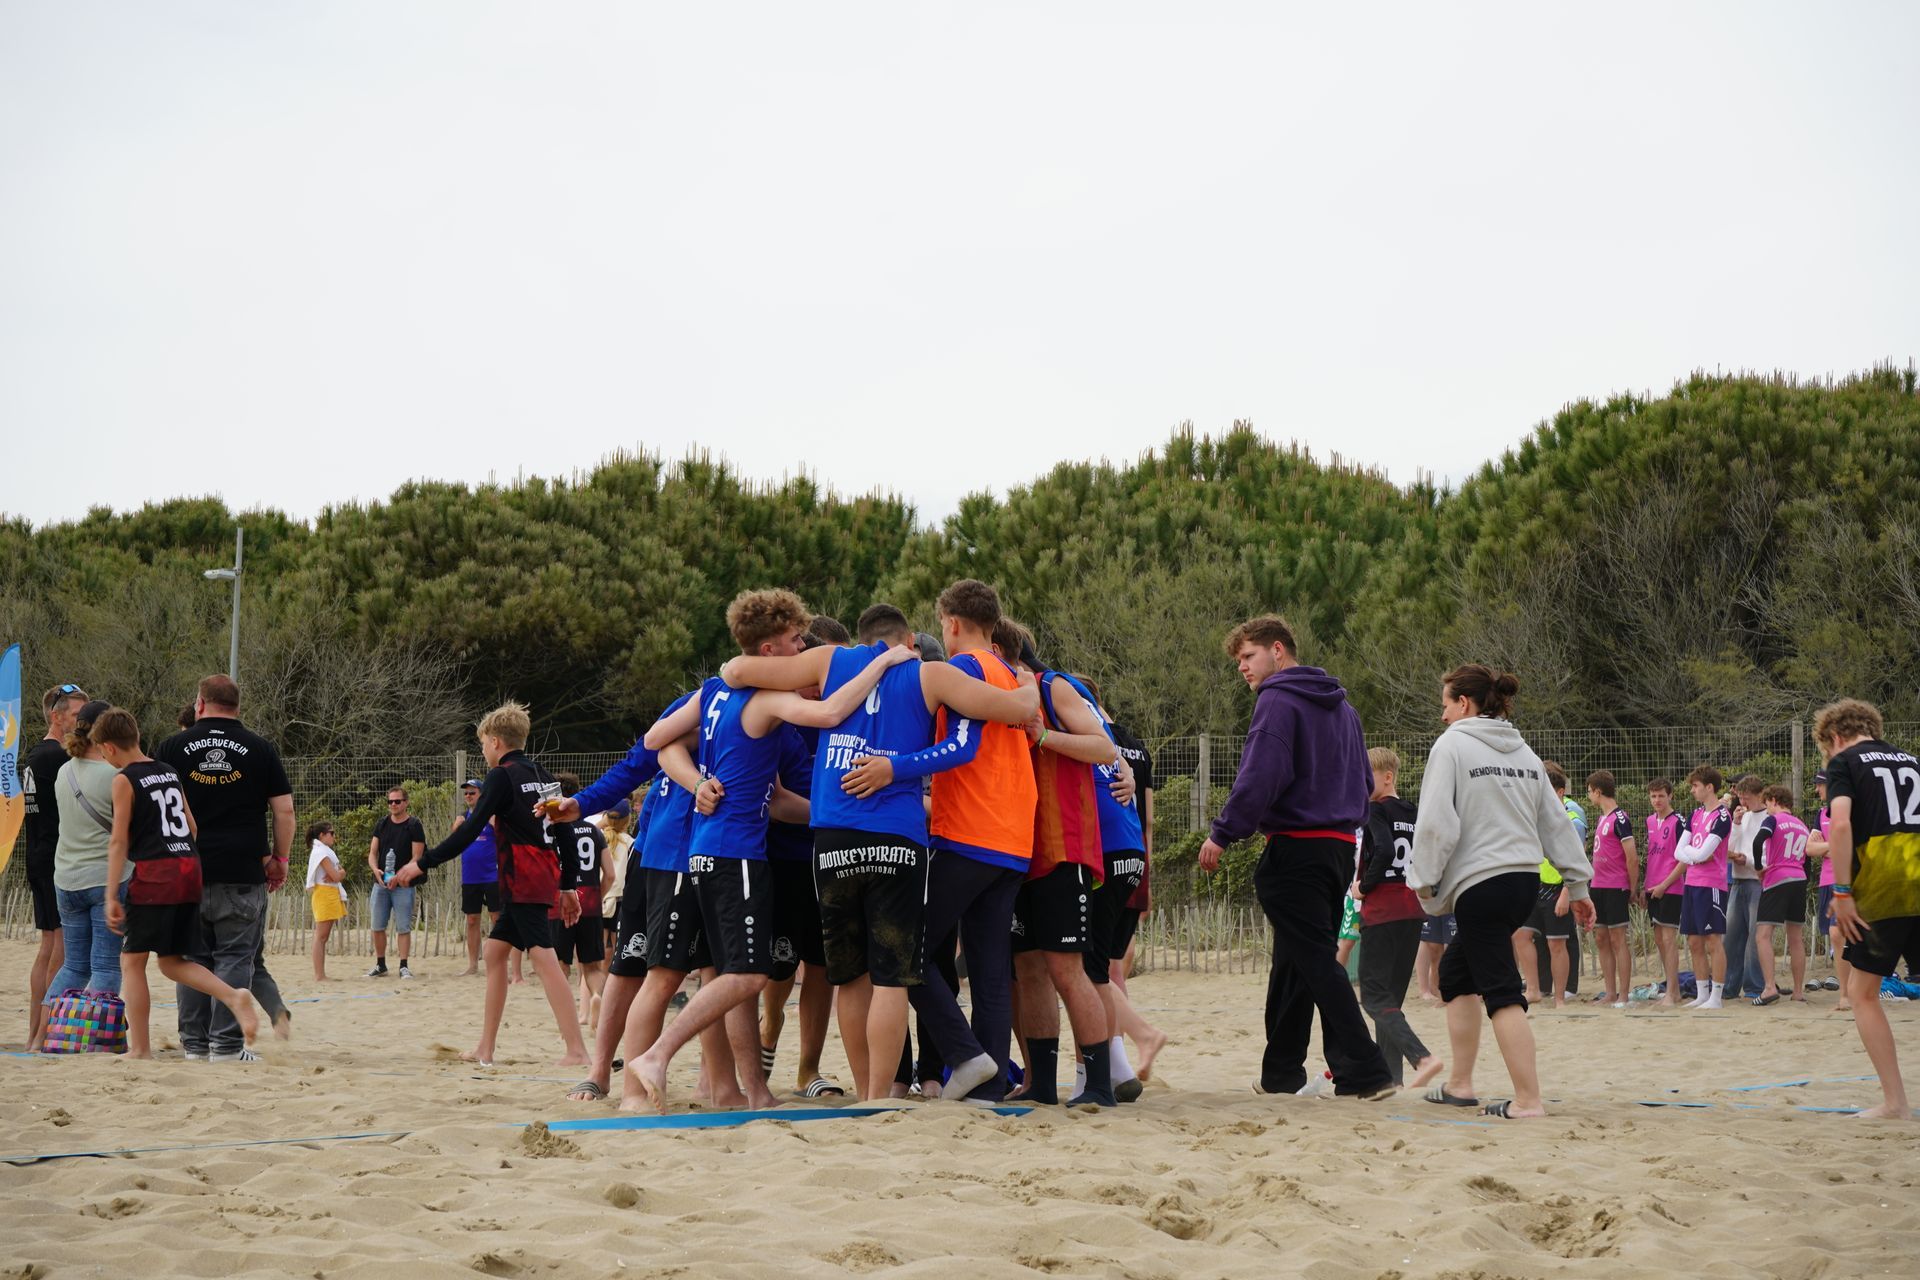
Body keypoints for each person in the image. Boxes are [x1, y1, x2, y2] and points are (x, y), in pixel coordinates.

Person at [717, 597, 1042, 1101]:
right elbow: (1018, 711)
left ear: (863, 638)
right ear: (910, 641)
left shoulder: (829, 660)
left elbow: (734, 670)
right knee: (892, 977)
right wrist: (1026, 683)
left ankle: (871, 1091)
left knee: (852, 978)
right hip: (898, 836)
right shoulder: (931, 674)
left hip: (834, 834)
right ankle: (886, 1096)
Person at [623, 590, 915, 1112]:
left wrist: (697, 781)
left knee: (730, 972)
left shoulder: (713, 692)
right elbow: (830, 711)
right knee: (749, 974)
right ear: (769, 649)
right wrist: (883, 661)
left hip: (703, 849)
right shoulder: (763, 700)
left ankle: (743, 1089)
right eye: (795, 640)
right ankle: (658, 1055)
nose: (803, 648)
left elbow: (656, 739)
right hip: (736, 851)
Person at [831, 582, 1041, 1103]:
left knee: (903, 952)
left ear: (951, 623)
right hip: (1013, 838)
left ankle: (966, 1055)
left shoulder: (965, 668)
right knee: (990, 970)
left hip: (971, 835)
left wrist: (894, 767)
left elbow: (961, 746)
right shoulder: (1006, 671)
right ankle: (988, 1086)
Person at [1198, 614, 1394, 1101]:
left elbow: (1260, 773)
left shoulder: (1277, 699)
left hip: (1296, 848)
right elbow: (1364, 783)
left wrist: (1223, 832)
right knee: (1295, 961)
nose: (1242, 667)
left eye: (1248, 655)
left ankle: (1366, 1070)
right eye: (1238, 660)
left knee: (1316, 961)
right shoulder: (1344, 708)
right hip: (1339, 847)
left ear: (1278, 650)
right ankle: (1281, 1074)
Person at [1406, 665, 1594, 1120]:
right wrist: (1577, 883)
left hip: (1483, 883)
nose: (1442, 716)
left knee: (1503, 991)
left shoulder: (1451, 745)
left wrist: (1423, 883)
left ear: (1463, 703)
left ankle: (1528, 1100)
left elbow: (1434, 823)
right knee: (1456, 975)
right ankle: (1460, 1085)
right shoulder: (1524, 751)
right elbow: (1555, 822)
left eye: (1445, 705)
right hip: (1522, 881)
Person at [394, 702, 587, 1067]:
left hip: (523, 875)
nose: (483, 750)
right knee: (496, 953)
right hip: (538, 873)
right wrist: (567, 886)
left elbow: (470, 829)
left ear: (496, 742)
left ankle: (576, 1050)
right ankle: (486, 1047)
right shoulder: (542, 773)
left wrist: (422, 862)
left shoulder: (502, 775)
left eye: (483, 743)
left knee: (544, 958)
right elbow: (565, 832)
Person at [998, 621, 1124, 1108]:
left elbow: (1105, 747)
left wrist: (1046, 736)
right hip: (1019, 852)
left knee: (1067, 970)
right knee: (1028, 969)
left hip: (1063, 847)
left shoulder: (1053, 686)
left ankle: (1099, 1084)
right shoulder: (1005, 697)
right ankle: (1041, 1084)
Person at [93, 707, 259, 1059]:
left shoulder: (123, 779)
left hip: (157, 874)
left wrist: (110, 894)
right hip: (189, 867)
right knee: (170, 962)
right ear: (137, 736)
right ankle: (232, 995)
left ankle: (140, 1049)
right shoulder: (167, 771)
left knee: (131, 961)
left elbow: (118, 841)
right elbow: (192, 827)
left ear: (108, 748)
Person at [157, 675, 294, 1061]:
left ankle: (195, 1045)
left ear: (200, 704)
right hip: (242, 870)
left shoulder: (172, 746)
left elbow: (153, 803)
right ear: (237, 706)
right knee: (236, 957)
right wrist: (280, 859)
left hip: (186, 868)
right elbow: (284, 810)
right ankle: (227, 1047)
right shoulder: (260, 748)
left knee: (191, 959)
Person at [1062, 673, 1166, 1100]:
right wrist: (1148, 874)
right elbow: (1148, 817)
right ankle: (1120, 1061)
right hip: (1134, 855)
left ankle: (1133, 1042)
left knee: (1097, 969)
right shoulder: (1135, 745)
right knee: (1111, 964)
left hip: (1102, 852)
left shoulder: (1086, 735)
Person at [1817, 697, 1920, 1119]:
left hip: (1883, 886)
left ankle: (1895, 1103)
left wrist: (1842, 892)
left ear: (1834, 736)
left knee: (1862, 994)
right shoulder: (1912, 760)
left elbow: (1840, 825)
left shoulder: (1845, 762)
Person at [1354, 747, 1443, 1088]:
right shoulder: (1413, 812)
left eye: (1367, 776)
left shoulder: (1375, 810)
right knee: (1390, 1002)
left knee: (1373, 997)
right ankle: (1391, 1080)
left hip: (1383, 910)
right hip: (1412, 910)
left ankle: (1422, 1057)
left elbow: (1386, 850)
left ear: (1388, 777)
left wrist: (1364, 885)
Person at [47, 700, 125, 1004]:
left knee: (73, 967)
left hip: (66, 879)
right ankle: (96, 1028)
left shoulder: (63, 771)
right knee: (105, 966)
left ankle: (47, 1025)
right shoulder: (115, 776)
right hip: (104, 878)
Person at [20, 682, 84, 1049]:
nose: (83, 723)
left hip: (39, 854)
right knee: (60, 945)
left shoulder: (36, 754)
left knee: (48, 944)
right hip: (55, 858)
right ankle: (43, 1032)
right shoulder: (55, 757)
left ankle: (35, 1032)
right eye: (77, 716)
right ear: (57, 718)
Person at [546, 772, 609, 1029]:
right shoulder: (594, 831)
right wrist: (597, 894)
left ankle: (565, 1016)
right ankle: (596, 997)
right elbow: (610, 873)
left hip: (561, 899)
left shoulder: (554, 829)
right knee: (592, 965)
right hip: (590, 900)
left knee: (561, 963)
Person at [1674, 766, 1735, 1010]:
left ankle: (1716, 998)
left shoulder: (1722, 816)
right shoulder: (1695, 814)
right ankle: (1702, 994)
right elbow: (1680, 852)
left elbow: (1704, 854)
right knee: (1693, 941)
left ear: (1709, 787)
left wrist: (1694, 854)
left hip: (1711, 885)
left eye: (1695, 786)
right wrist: (1695, 855)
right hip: (1691, 883)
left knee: (1712, 940)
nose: (1692, 790)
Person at [1750, 784, 1810, 1006]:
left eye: (1767, 804)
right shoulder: (1802, 826)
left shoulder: (1773, 820)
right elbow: (1808, 859)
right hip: (1799, 879)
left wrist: (1759, 868)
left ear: (1774, 800)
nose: (1766, 809)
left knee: (1763, 935)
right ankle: (1798, 991)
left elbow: (1758, 841)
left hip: (1777, 878)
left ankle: (1769, 988)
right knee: (1795, 938)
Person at [1584, 770, 1638, 1006]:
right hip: (1598, 885)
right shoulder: (1602, 818)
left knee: (1618, 940)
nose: (1588, 796)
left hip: (1616, 886)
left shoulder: (1620, 818)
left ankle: (1623, 995)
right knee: (1601, 938)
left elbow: (1632, 857)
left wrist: (1632, 888)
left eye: (1589, 791)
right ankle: (1609, 993)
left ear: (1598, 791)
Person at [366, 786, 425, 979]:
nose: (393, 805)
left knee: (403, 927)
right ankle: (380, 964)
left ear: (406, 803)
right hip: (381, 884)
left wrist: (398, 877)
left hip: (403, 885)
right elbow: (372, 853)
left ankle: (403, 966)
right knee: (377, 926)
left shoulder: (414, 825)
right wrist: (375, 870)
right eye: (390, 801)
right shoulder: (382, 823)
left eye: (397, 801)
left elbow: (417, 856)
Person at [1804, 770, 1851, 1003]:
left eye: (1820, 785)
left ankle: (1847, 994)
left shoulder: (1851, 811)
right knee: (1835, 936)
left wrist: (1826, 846)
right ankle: (1847, 992)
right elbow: (1809, 849)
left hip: (1848, 880)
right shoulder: (1821, 814)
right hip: (1826, 881)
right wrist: (1833, 846)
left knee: (1838, 933)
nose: (1816, 789)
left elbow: (1851, 846)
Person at [1722, 775, 1769, 1001]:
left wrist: (1748, 861)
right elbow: (1728, 848)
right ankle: (1729, 985)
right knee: (1731, 935)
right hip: (1738, 880)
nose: (1742, 802)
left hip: (1757, 881)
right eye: (1740, 797)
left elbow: (1768, 855)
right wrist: (1736, 824)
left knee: (1754, 937)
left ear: (1759, 795)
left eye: (1746, 798)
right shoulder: (1742, 816)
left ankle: (1754, 986)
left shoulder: (1769, 818)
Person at [1642, 778, 1687, 1006]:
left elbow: (1684, 860)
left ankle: (1671, 992)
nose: (1657, 800)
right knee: (1659, 939)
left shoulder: (1679, 821)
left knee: (1669, 939)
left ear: (1670, 796)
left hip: (1672, 887)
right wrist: (1645, 887)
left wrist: (1665, 884)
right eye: (1653, 796)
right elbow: (1651, 856)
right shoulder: (1650, 821)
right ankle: (1674, 989)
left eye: (1661, 795)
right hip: (1652, 887)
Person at [455, 778, 503, 977]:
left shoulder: (492, 816)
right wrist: (456, 828)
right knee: (472, 919)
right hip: (470, 877)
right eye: (466, 793)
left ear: (482, 795)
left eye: (472, 792)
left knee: (497, 918)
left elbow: (506, 839)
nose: (468, 796)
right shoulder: (463, 818)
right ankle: (473, 965)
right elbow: (454, 842)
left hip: (492, 875)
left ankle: (499, 963)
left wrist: (496, 825)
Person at [306, 821, 347, 980]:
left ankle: (321, 974)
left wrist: (340, 873)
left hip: (329, 892)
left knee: (323, 936)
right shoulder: (321, 852)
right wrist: (340, 874)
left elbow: (339, 872)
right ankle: (319, 975)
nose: (334, 836)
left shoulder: (325, 851)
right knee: (320, 936)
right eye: (332, 833)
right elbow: (337, 875)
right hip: (324, 893)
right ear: (322, 835)